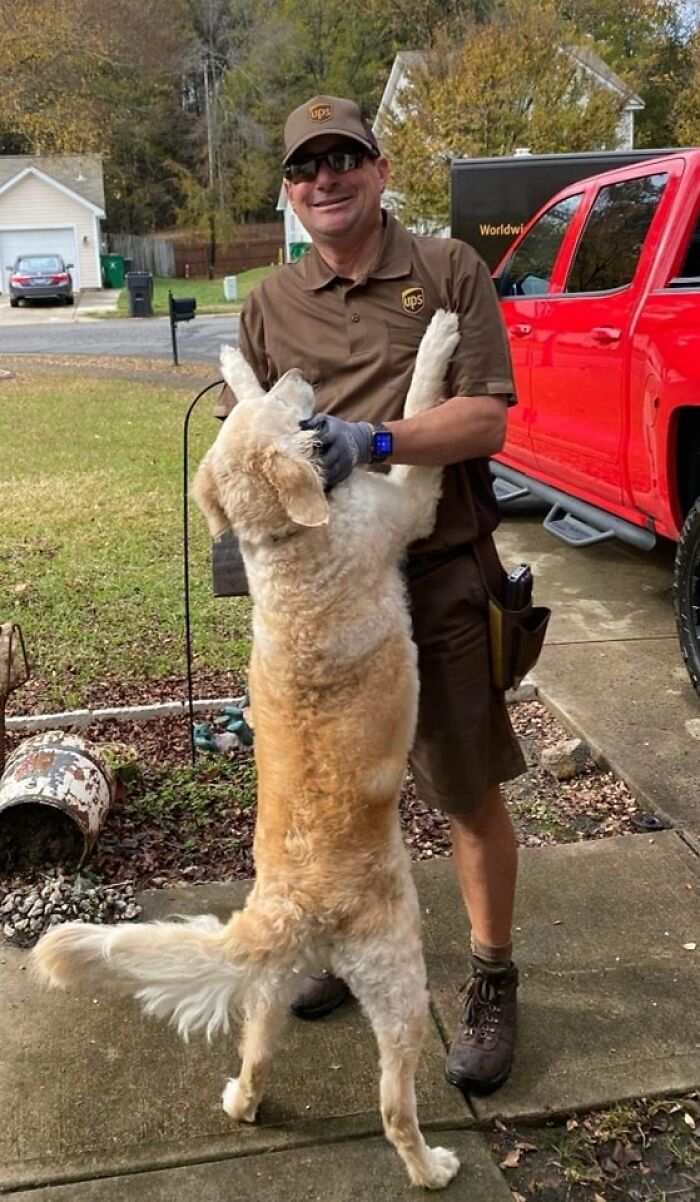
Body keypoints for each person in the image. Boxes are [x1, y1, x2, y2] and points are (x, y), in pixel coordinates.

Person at [214, 94, 527, 1096]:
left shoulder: (445, 271)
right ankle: (347, 941)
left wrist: (376, 441)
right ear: (292, 190)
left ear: (380, 168)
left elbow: (485, 423)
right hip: (324, 604)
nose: (325, 179)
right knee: (335, 790)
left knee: (464, 786)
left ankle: (489, 976)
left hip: (434, 582)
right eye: (306, 167)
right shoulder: (270, 303)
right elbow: (253, 442)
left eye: (344, 157)